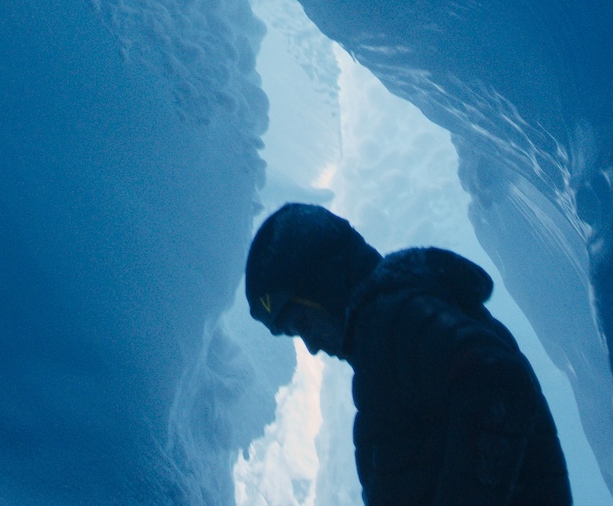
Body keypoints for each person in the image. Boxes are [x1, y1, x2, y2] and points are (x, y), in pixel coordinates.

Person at [245, 203, 572, 506]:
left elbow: (495, 377)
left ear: (324, 285)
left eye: (302, 322)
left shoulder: (391, 319)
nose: (312, 345)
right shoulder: (394, 324)